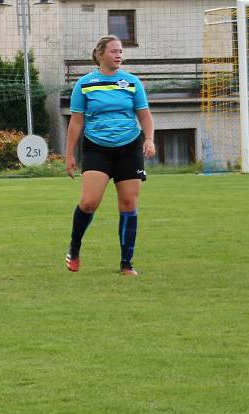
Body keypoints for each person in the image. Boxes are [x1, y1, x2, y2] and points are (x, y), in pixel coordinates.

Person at [64, 35, 156, 275]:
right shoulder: (84, 84)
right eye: (114, 51)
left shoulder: (132, 82)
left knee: (128, 204)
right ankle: (75, 247)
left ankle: (127, 264)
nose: (119, 55)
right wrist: (69, 154)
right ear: (100, 54)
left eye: (121, 52)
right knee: (89, 202)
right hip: (97, 148)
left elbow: (144, 115)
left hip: (129, 148)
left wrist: (149, 139)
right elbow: (76, 122)